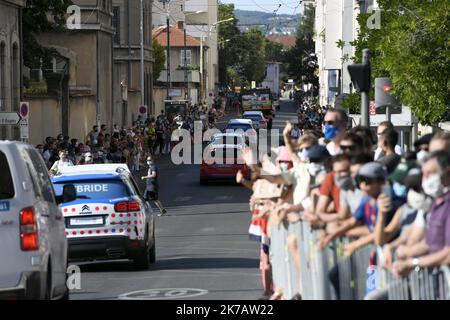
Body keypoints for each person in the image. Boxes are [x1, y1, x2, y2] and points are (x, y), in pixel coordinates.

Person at [391, 151, 450, 277]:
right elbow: (431, 243)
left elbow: (448, 254)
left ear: (448, 174)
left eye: (430, 173)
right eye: (424, 174)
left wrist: (413, 263)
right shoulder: (437, 203)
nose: (425, 180)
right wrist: (405, 254)